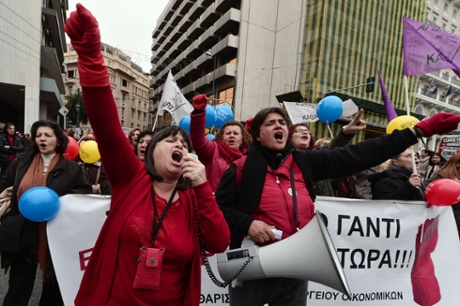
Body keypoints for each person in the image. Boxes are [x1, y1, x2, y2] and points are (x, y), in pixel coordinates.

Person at [65, 5, 230, 306]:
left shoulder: (194, 199)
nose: (179, 145)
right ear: (151, 153)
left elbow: (219, 242)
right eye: (170, 141)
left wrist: (203, 188)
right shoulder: (130, 178)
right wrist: (90, 55)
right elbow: (107, 125)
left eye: (184, 143)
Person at [215, 106, 460, 306]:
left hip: (295, 266)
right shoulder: (241, 169)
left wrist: (417, 132)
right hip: (253, 264)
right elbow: (220, 210)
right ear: (258, 135)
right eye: (270, 123)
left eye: (281, 122)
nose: (278, 125)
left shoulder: (303, 162)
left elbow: (362, 153)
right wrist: (248, 224)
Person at [0, 119, 91, 306]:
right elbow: (5, 184)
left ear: (58, 141)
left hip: (56, 236)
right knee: (18, 286)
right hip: (23, 233)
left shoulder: (71, 168)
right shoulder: (21, 163)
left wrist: (60, 201)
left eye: (48, 135)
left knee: (53, 290)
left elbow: (84, 192)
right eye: (39, 135)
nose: (42, 139)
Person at [288, 110, 366, 197]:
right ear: (290, 137)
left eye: (308, 132)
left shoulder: (317, 155)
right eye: (299, 130)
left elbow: (333, 146)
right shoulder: (283, 159)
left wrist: (346, 132)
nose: (305, 132)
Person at [190, 94, 252, 191]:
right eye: (228, 133)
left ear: (242, 139)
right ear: (221, 137)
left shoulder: (249, 157)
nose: (232, 135)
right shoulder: (213, 150)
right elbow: (199, 140)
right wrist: (199, 113)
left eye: (235, 133)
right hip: (215, 203)